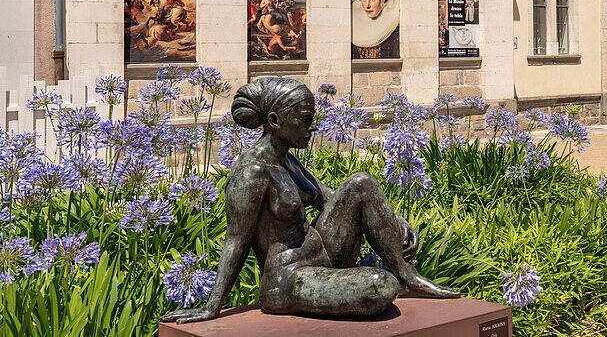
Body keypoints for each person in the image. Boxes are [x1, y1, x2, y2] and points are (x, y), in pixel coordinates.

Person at [162, 78, 458, 324]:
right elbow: (235, 242)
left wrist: (392, 221)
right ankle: (395, 281)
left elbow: (337, 198)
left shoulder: (288, 161)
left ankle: (409, 277)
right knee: (380, 286)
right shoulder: (251, 174)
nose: (311, 128)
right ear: (276, 121)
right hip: (289, 279)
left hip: (325, 256)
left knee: (361, 182)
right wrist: (211, 306)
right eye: (304, 120)